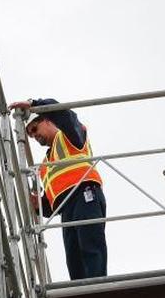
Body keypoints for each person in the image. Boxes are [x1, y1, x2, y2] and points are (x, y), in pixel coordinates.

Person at [10, 98, 107, 280]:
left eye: (35, 129)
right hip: (67, 208)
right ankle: (81, 294)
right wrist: (38, 204)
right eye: (30, 135)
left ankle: (98, 287)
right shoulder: (46, 165)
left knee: (90, 246)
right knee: (74, 258)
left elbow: (64, 113)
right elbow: (52, 203)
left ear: (48, 120)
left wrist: (34, 104)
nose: (34, 136)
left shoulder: (70, 136)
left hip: (85, 195)